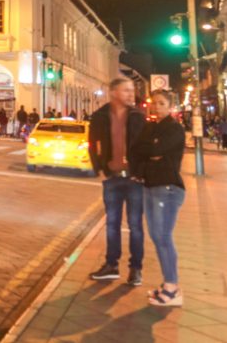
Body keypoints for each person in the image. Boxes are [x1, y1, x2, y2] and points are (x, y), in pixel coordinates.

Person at [131, 88, 186, 307]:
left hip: (168, 188)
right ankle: (167, 284)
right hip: (150, 186)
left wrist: (150, 152)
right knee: (156, 236)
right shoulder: (150, 127)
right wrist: (150, 154)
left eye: (161, 103)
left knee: (163, 237)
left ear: (170, 106)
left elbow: (158, 149)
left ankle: (172, 288)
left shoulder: (174, 129)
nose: (156, 107)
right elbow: (136, 150)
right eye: (153, 103)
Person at [88, 77, 145, 285]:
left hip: (134, 179)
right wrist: (100, 169)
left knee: (135, 226)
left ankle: (136, 269)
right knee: (112, 225)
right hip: (112, 178)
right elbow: (92, 144)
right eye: (126, 90)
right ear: (113, 93)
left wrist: (141, 172)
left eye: (132, 90)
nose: (131, 94)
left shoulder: (138, 116)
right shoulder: (100, 116)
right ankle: (111, 265)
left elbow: (146, 146)